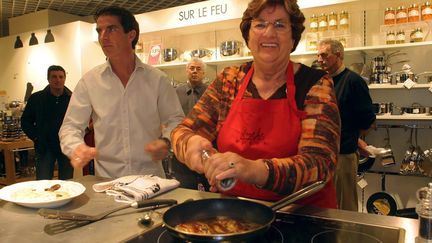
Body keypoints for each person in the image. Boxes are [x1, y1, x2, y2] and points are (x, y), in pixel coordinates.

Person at [171, 0, 340, 209]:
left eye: (280, 25)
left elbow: (319, 164)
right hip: (237, 214)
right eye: (260, 24)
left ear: (293, 37)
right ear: (248, 36)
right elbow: (182, 131)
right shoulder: (229, 81)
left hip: (300, 215)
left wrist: (253, 170)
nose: (269, 33)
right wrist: (189, 145)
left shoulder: (315, 84)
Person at [59, 6, 184, 178]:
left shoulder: (157, 79)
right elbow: (70, 126)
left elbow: (175, 120)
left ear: (131, 35)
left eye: (111, 29)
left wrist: (165, 141)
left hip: (150, 179)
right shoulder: (90, 81)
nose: (103, 37)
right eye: (99, 31)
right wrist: (76, 147)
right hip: (108, 182)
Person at [317, 39, 376, 211]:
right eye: (318, 55)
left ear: (339, 55)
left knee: (346, 206)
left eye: (324, 55)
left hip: (343, 156)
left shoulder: (353, 81)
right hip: (324, 155)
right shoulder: (323, 81)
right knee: (327, 206)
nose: (320, 59)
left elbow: (367, 119)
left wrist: (354, 138)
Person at [21, 65, 73, 180]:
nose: (58, 80)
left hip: (66, 146)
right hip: (44, 147)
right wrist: (36, 137)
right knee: (43, 183)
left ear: (65, 78)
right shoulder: (36, 98)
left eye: (61, 77)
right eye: (54, 77)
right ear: (48, 79)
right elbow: (25, 121)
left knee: (68, 182)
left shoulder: (72, 99)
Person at [172, 58, 209, 190]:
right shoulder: (176, 92)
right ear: (186, 71)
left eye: (198, 69)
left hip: (206, 146)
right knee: (185, 186)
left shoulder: (210, 92)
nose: (194, 71)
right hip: (182, 147)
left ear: (204, 73)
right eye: (192, 68)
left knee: (209, 185)